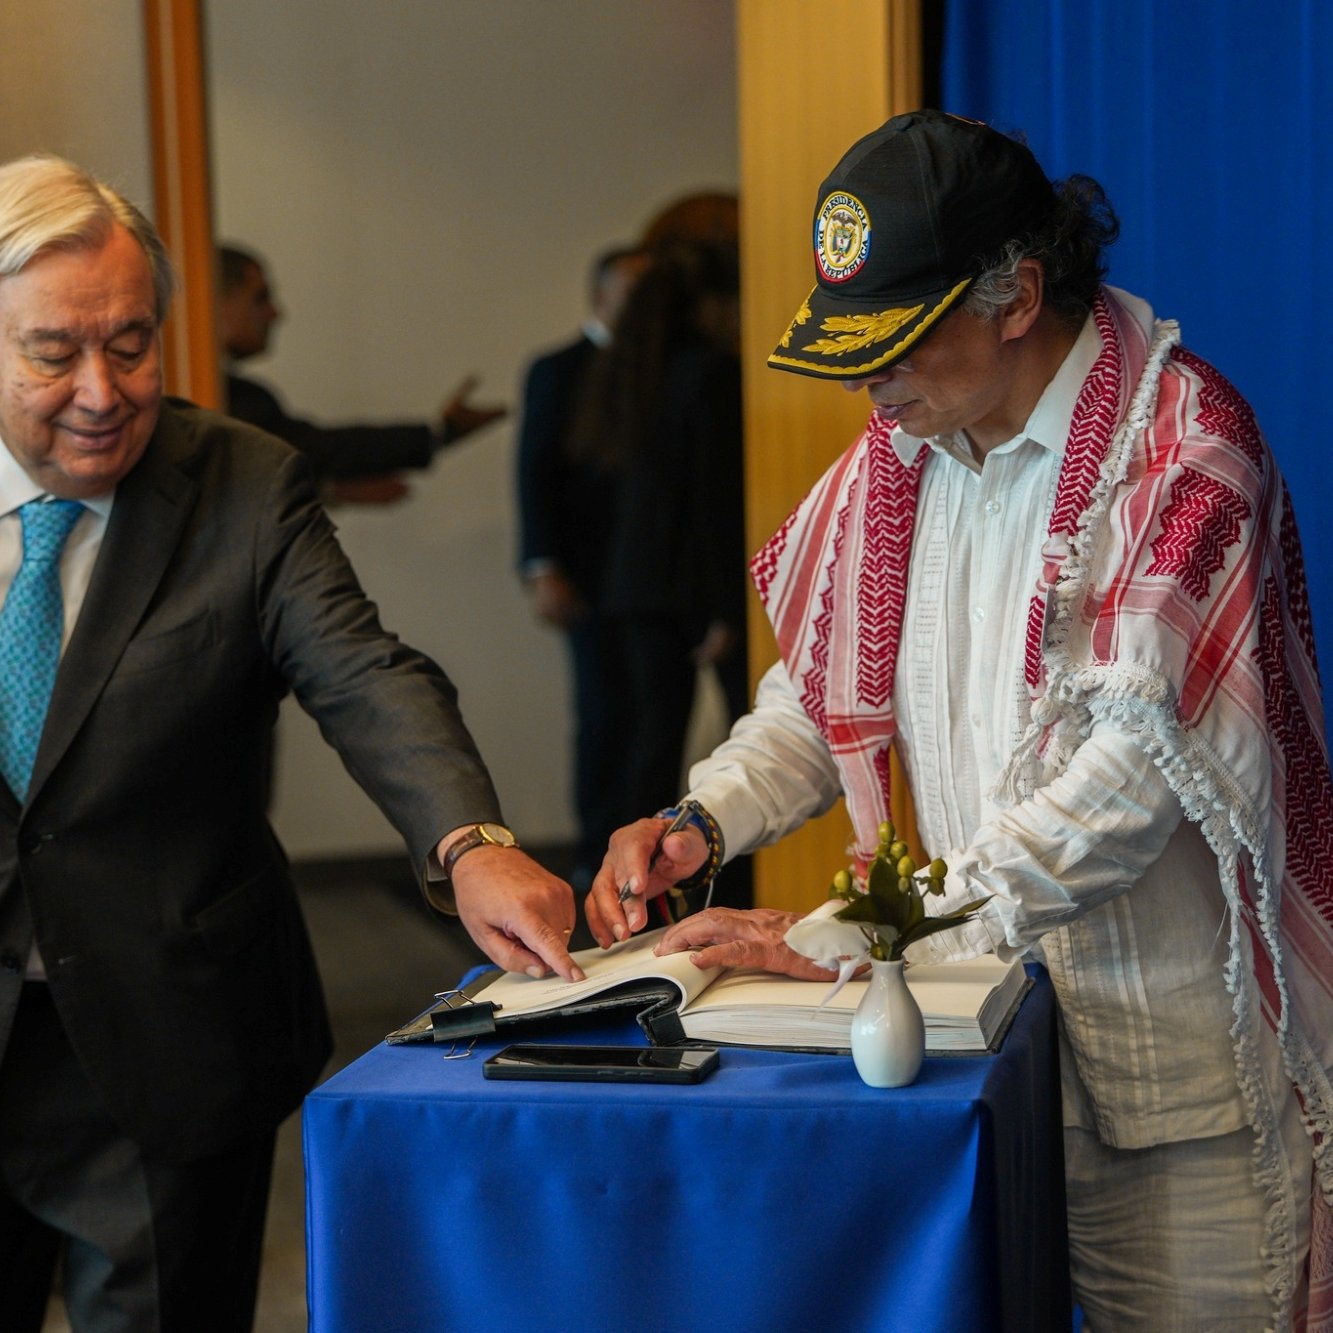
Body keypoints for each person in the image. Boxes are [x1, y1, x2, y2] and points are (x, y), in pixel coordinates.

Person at [586, 110, 1333, 1328]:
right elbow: (816, 697)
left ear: (1017, 294)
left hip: (1174, 1100)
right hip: (975, 1057)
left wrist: (858, 930)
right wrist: (699, 816)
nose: (865, 381)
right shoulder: (903, 452)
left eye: (895, 342)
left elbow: (1122, 793)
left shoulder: (1185, 452)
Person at [0, 154, 582, 1331]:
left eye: (132, 341)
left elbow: (363, 671)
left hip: (165, 1033)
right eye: (54, 353)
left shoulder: (244, 487)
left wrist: (471, 843)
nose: (104, 390)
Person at [574, 238, 752, 908]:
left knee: (647, 741)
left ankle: (629, 886)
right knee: (740, 728)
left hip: (634, 580)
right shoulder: (707, 372)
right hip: (690, 582)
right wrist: (725, 608)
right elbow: (711, 501)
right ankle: (727, 881)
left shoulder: (629, 368)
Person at [516, 244, 648, 887]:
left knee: (649, 718)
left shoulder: (658, 367)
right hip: (587, 573)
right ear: (601, 297)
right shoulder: (558, 368)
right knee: (602, 716)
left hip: (649, 577)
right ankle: (594, 852)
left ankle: (645, 854)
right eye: (634, 293)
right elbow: (533, 472)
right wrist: (543, 565)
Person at [217, 243, 505, 504]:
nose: (276, 313)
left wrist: (331, 490)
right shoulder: (233, 400)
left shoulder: (233, 395)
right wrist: (441, 433)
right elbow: (308, 450)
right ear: (213, 300)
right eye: (260, 298)